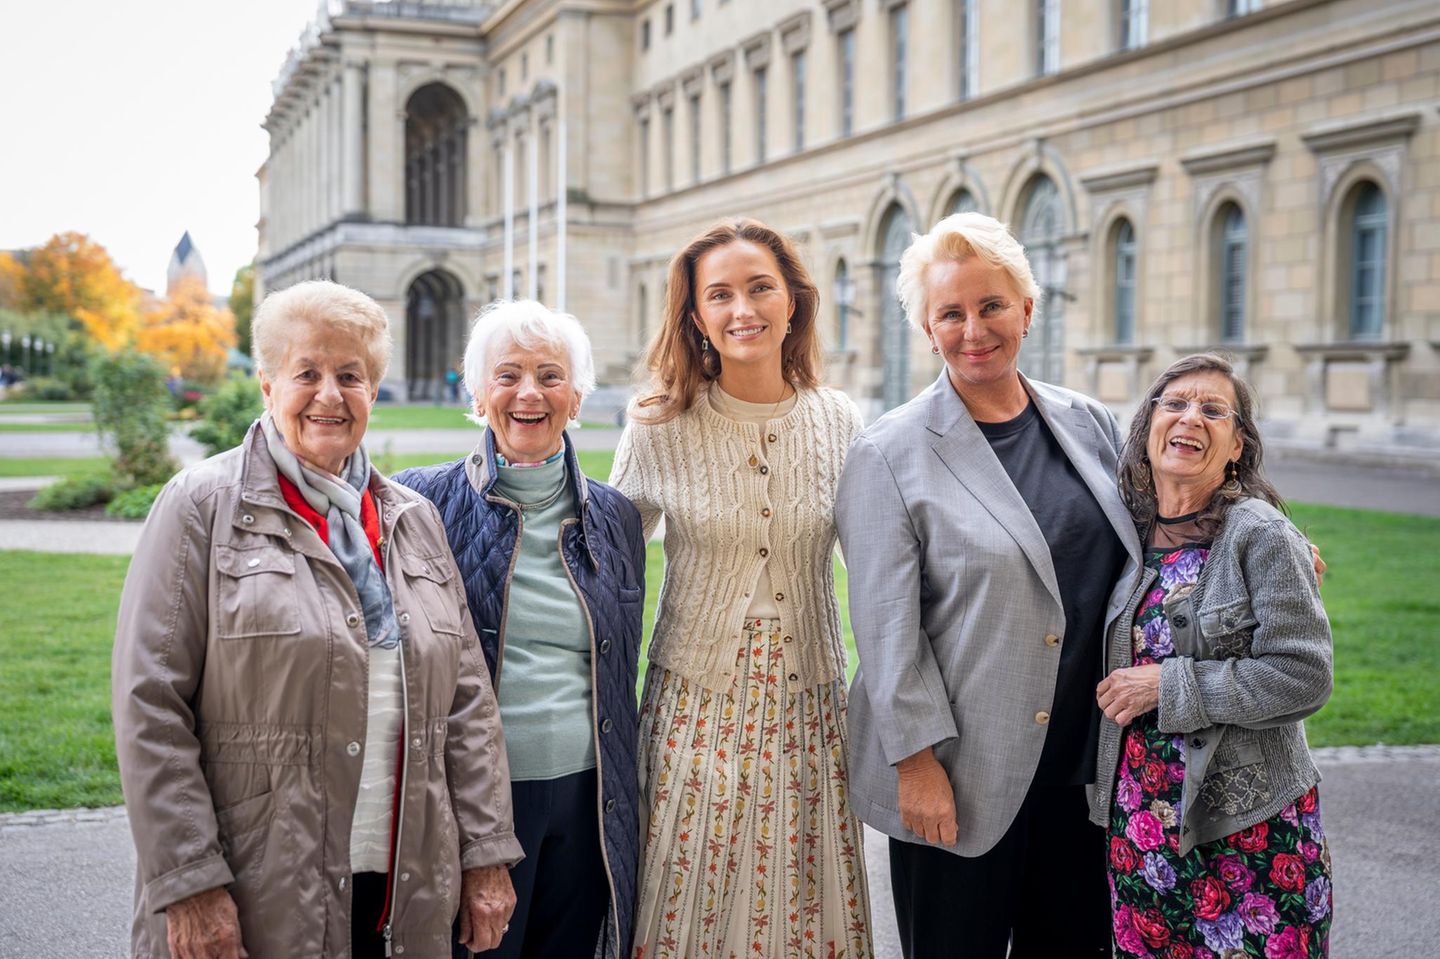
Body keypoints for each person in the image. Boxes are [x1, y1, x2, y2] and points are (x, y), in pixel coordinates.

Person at [112, 280, 523, 959]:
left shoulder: (411, 519)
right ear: (269, 384)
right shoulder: (201, 507)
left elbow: (467, 705)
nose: (330, 395)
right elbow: (149, 704)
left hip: (404, 884)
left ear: (373, 391)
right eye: (308, 372)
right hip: (258, 888)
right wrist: (189, 881)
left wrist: (485, 854)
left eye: (351, 376)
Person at [835, 211, 1141, 957]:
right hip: (960, 781)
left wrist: (1271, 542)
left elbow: (1163, 535)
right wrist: (917, 766)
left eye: (992, 304)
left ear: (1027, 308)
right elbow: (885, 632)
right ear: (928, 328)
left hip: (1083, 778)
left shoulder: (1089, 422)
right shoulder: (888, 452)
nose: (974, 327)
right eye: (951, 312)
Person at [612, 218, 873, 957]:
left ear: (793, 300)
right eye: (719, 294)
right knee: (684, 891)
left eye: (760, 287)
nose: (742, 309)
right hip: (696, 696)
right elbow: (605, 563)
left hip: (807, 698)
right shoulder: (657, 424)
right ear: (695, 315)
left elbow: (881, 566)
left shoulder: (840, 420)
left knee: (803, 897)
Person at [395, 300, 646, 959]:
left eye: (550, 375)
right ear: (478, 394)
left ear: (578, 395)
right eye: (507, 375)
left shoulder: (617, 517)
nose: (529, 393)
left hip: (590, 803)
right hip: (478, 801)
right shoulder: (419, 503)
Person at [1092, 353, 1333, 957]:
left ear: (1237, 446)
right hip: (1142, 822)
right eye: (1174, 404)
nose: (1189, 418)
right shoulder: (1123, 532)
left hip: (1249, 826)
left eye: (1212, 410)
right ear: (1147, 426)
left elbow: (1303, 676)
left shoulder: (1261, 534)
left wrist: (1166, 687)